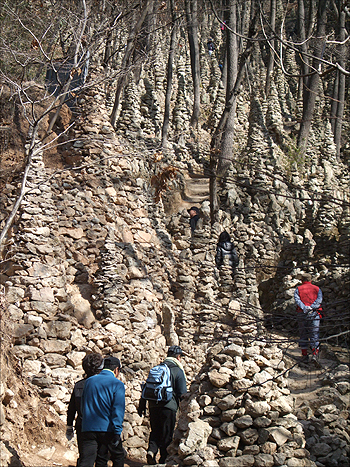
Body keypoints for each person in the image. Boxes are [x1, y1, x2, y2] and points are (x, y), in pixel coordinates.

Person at [138, 346, 187, 465]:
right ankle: (163, 459)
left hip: (153, 405)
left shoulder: (157, 368)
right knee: (167, 433)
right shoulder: (177, 370)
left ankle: (151, 450)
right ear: (178, 357)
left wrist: (142, 406)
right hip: (168, 406)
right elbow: (182, 393)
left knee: (155, 430)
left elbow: (147, 388)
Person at [79, 356, 125, 467]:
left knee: (86, 461)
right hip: (107, 429)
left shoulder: (89, 381)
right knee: (117, 456)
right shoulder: (117, 384)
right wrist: (117, 431)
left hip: (88, 428)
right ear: (116, 370)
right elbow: (118, 410)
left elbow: (82, 405)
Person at [66, 353, 105, 466]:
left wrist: (69, 426)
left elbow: (72, 408)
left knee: (85, 458)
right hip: (102, 426)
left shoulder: (79, 385)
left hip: (83, 426)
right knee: (102, 459)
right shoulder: (105, 384)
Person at [294, 273, 323, 362]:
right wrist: (312, 307)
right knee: (314, 334)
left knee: (303, 334)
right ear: (311, 280)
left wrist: (304, 307)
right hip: (314, 313)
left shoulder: (298, 289)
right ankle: (314, 355)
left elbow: (297, 300)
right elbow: (319, 300)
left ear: (302, 280)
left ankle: (304, 355)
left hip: (302, 313)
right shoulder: (317, 289)